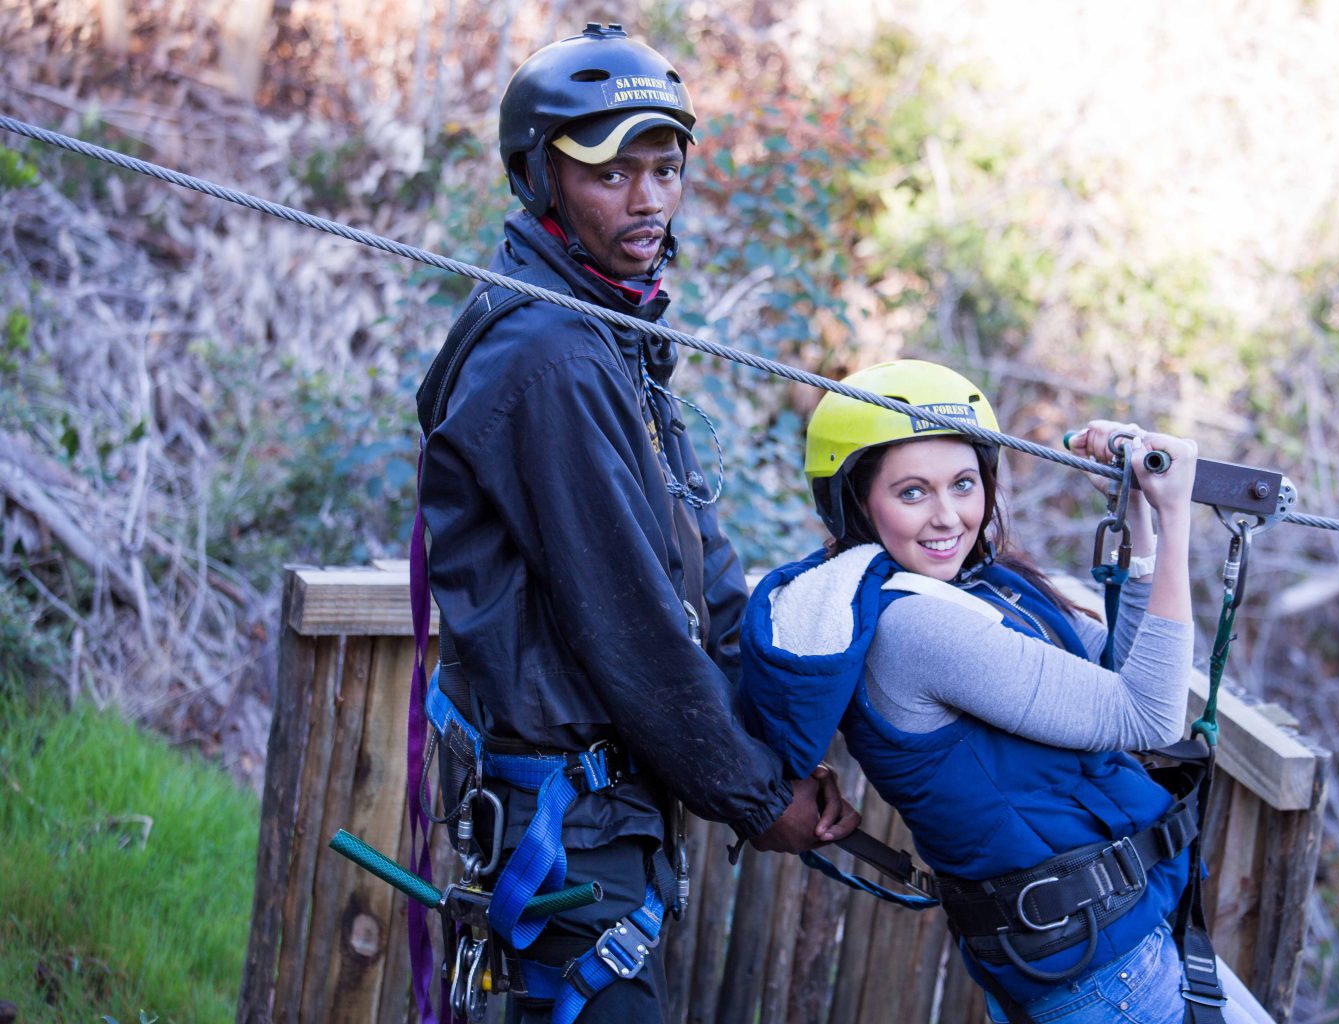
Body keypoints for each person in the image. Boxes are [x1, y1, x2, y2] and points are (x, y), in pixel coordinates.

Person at [415, 23, 858, 1024]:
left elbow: (698, 563)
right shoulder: (553, 357)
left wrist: (782, 721)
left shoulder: (609, 334)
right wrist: (757, 795)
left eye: (666, 168)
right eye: (615, 172)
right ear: (544, 178)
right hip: (569, 819)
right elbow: (631, 621)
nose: (649, 198)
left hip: (599, 814)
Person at [737, 360, 1275, 1024]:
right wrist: (1176, 522)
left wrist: (1137, 507)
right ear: (855, 501)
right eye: (912, 492)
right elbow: (1150, 712)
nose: (947, 517)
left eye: (964, 484)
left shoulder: (982, 586)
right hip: (1105, 976)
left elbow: (1119, 672)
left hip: (1118, 943)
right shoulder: (915, 627)